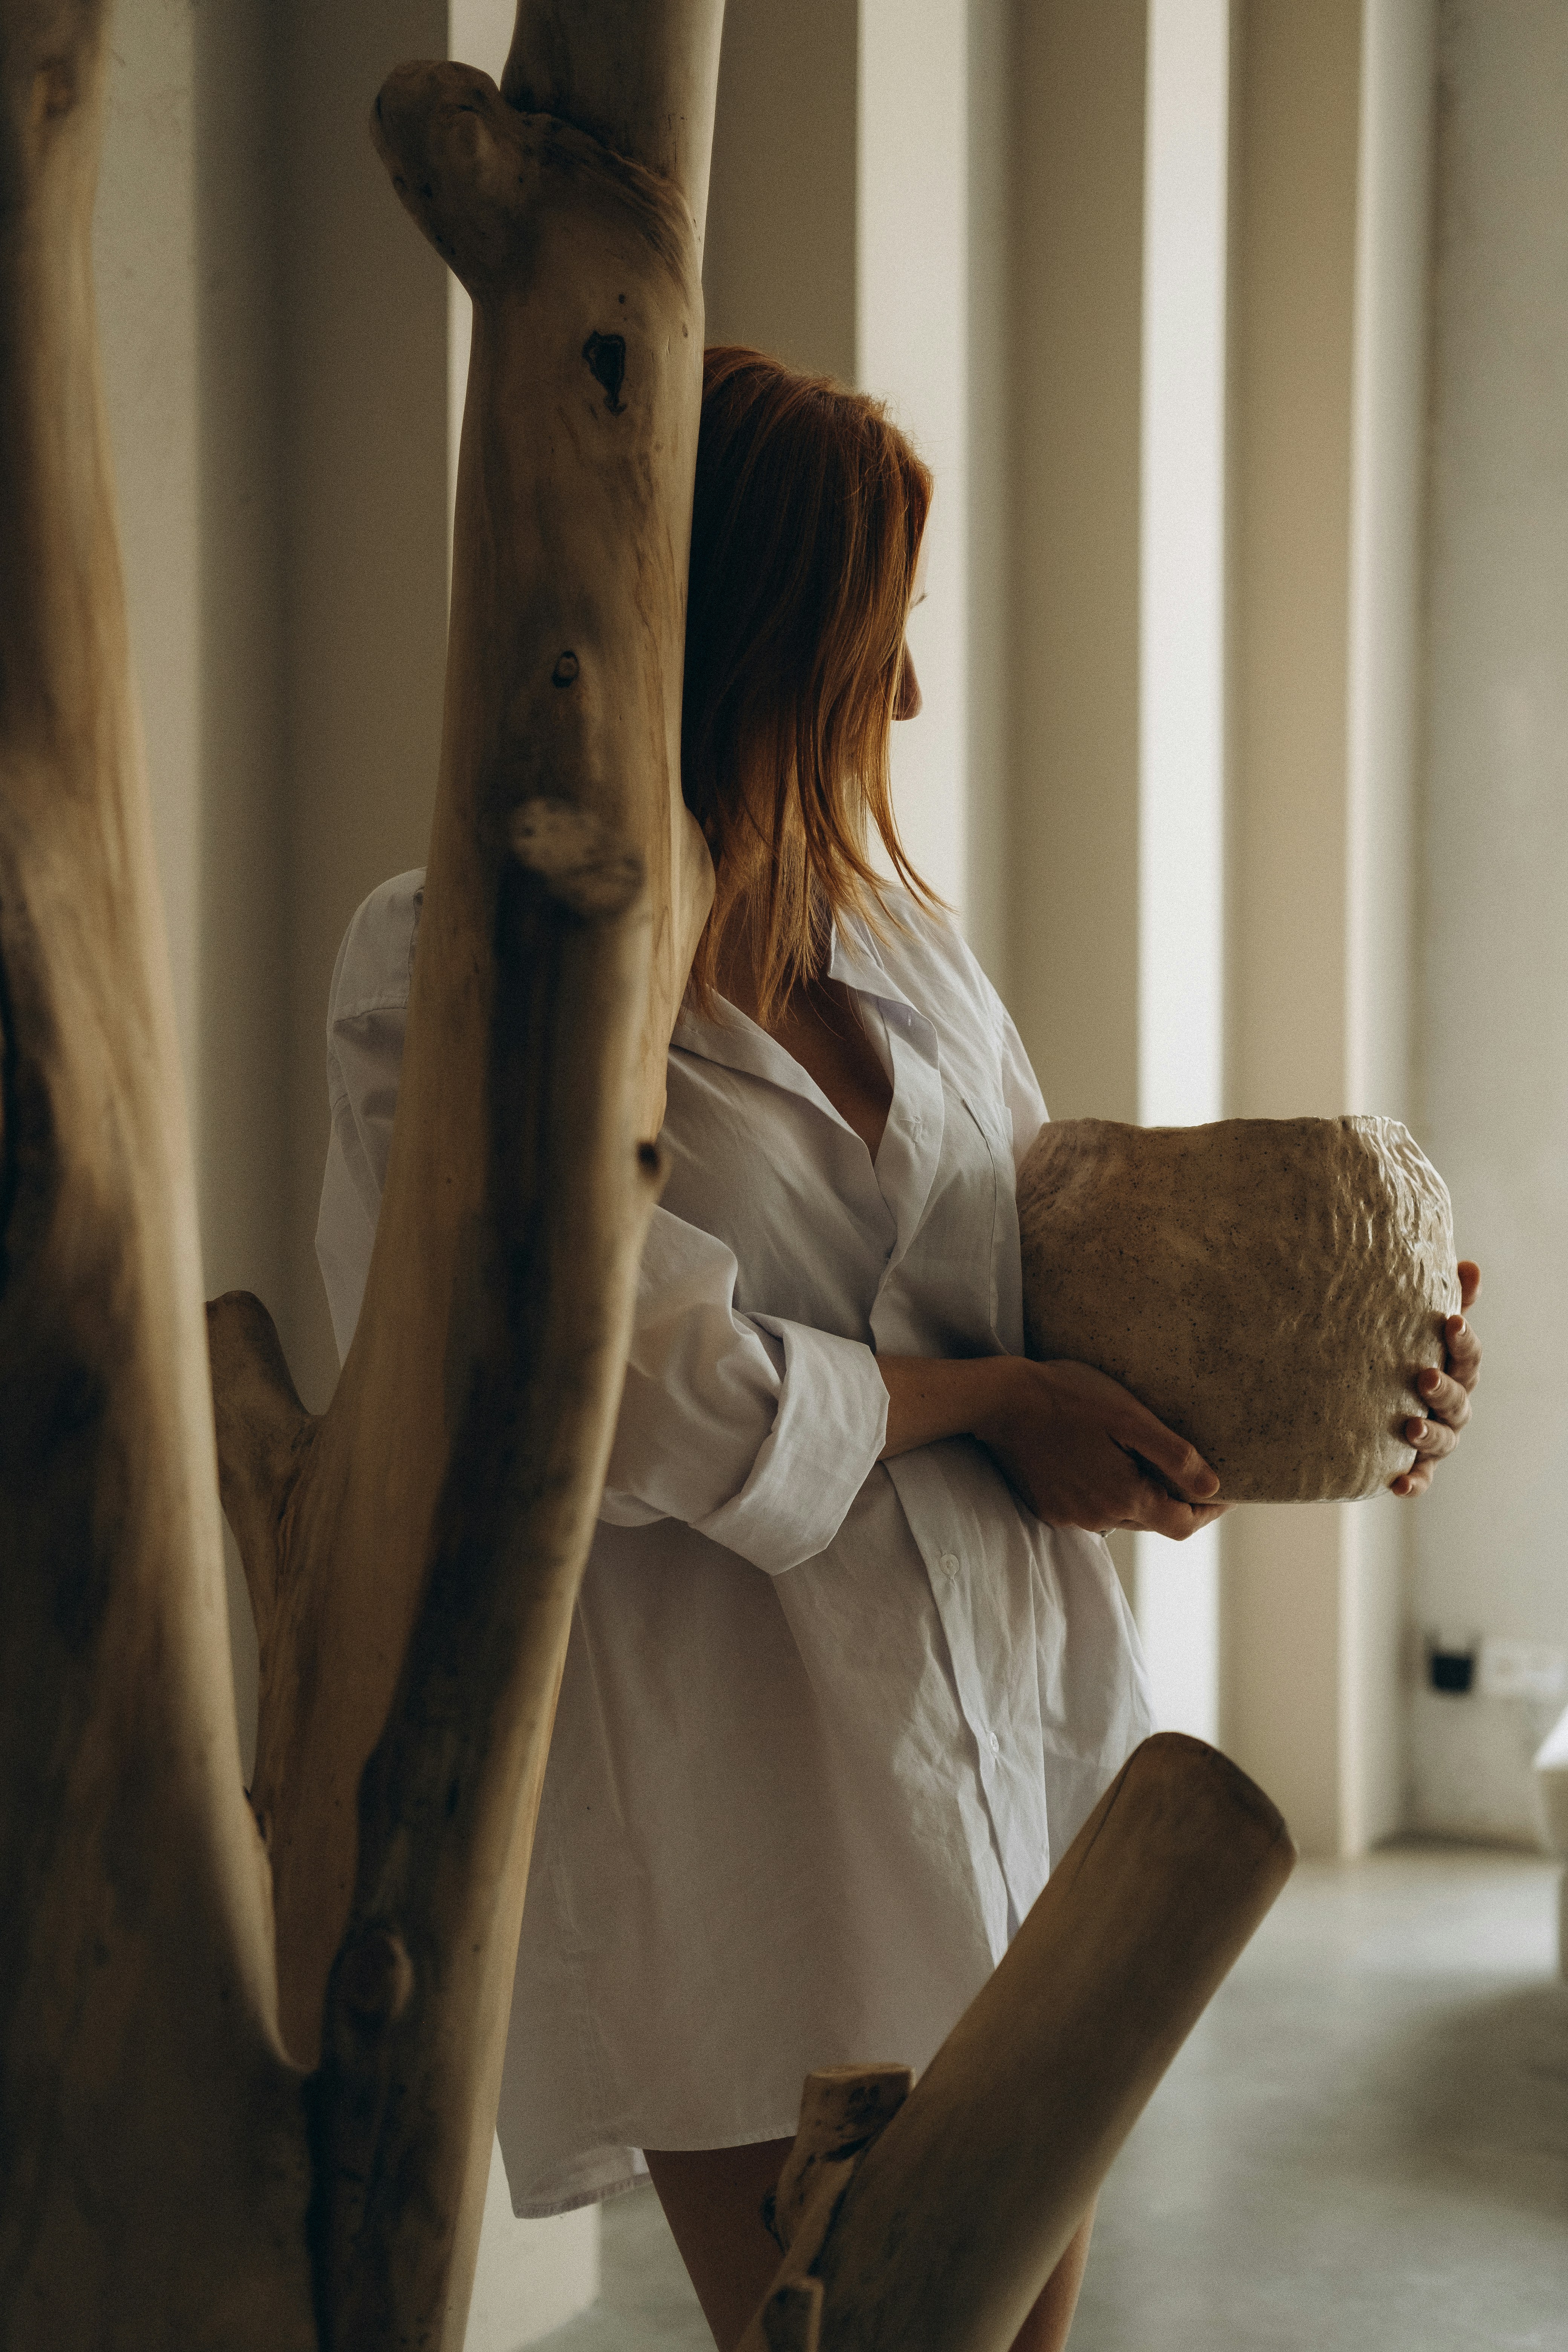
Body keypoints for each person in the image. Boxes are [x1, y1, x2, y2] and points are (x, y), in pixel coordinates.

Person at [315, 346, 1482, 2352]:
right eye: (876, 642)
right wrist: (989, 1410)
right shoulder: (453, 970)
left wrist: (1336, 1385)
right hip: (747, 1821)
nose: (909, 700)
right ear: (749, 631)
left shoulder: (899, 948)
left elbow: (1032, 1273)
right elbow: (616, 1387)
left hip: (1023, 1764)